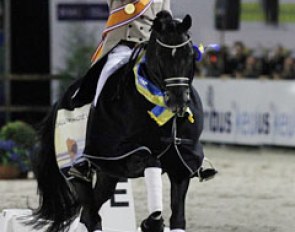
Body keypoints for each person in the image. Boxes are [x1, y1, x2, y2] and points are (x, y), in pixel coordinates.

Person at [71, 1, 217, 231]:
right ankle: (87, 153)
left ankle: (190, 150)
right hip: (122, 46)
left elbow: (165, 15)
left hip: (154, 46)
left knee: (179, 82)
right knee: (102, 82)